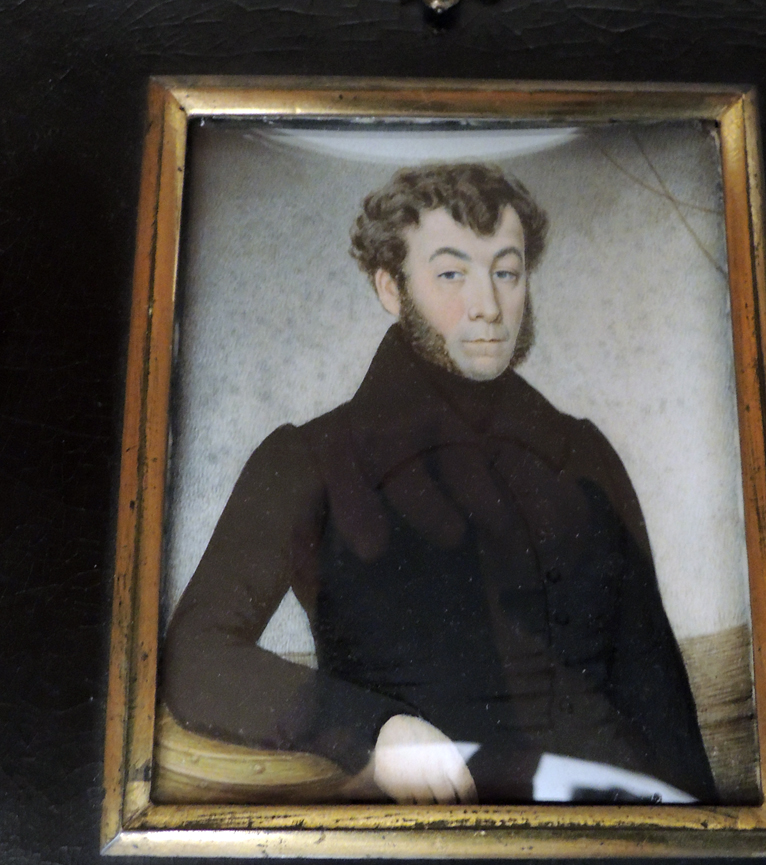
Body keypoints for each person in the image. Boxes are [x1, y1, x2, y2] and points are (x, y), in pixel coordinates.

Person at [162, 163, 716, 804]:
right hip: (437, 835)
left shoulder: (581, 452)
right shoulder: (310, 458)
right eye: (452, 274)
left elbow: (660, 698)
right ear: (391, 289)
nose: (488, 306)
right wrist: (375, 729)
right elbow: (194, 658)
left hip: (619, 841)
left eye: (506, 272)